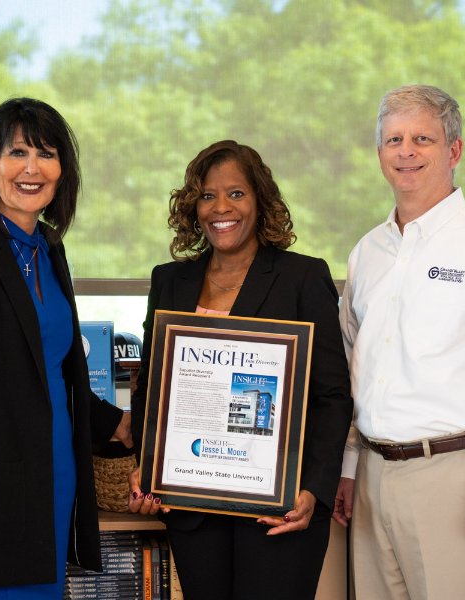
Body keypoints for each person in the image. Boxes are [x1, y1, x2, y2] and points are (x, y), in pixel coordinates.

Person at [0, 97, 133, 598]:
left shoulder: (50, 248)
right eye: (17, 153)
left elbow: (49, 368)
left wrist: (118, 423)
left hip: (51, 482)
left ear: (64, 170)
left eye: (47, 154)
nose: (32, 168)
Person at [128, 140, 352, 600]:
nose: (220, 208)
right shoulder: (169, 281)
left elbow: (332, 397)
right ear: (193, 207)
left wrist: (312, 489)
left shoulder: (302, 278)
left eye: (236, 193)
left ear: (260, 201)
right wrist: (147, 469)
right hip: (192, 508)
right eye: (207, 196)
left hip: (279, 508)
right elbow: (152, 386)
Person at [334, 84, 465, 599]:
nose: (406, 152)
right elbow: (353, 368)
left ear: (454, 150)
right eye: (393, 139)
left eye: (423, 138)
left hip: (457, 479)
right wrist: (349, 468)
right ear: (379, 154)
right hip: (372, 478)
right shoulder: (366, 252)